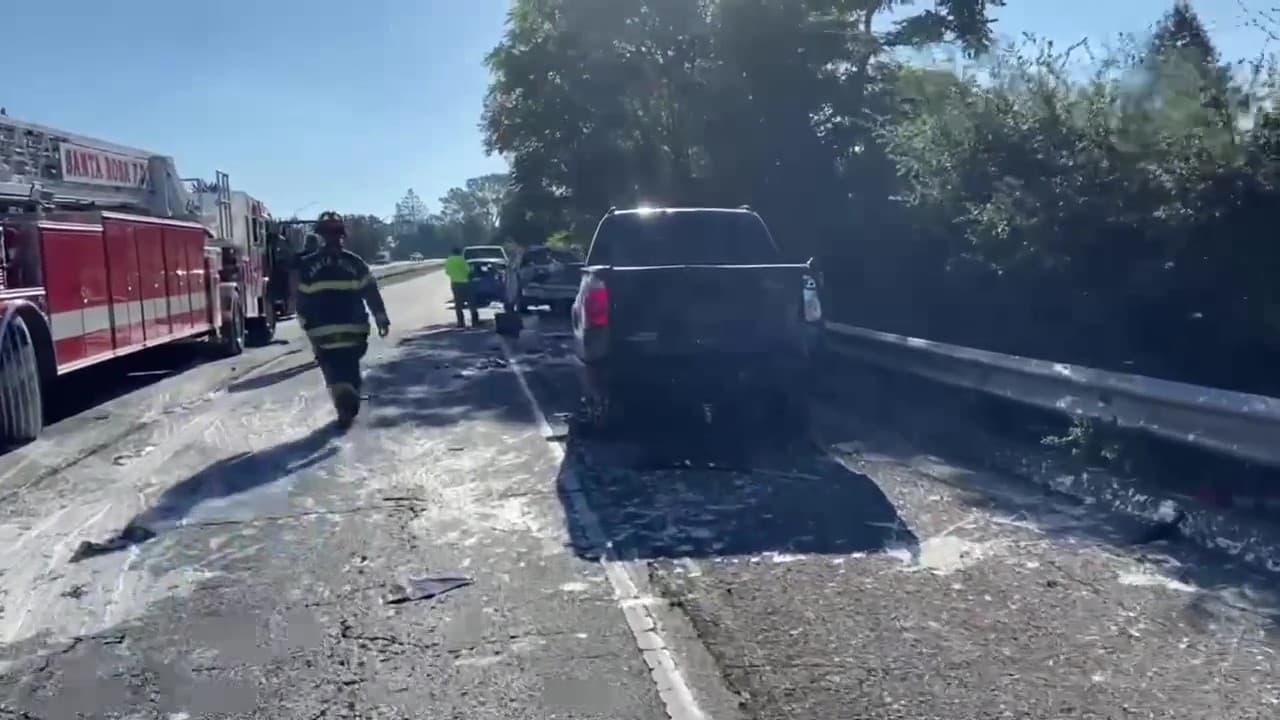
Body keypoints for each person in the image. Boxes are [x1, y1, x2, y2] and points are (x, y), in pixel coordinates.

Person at [296, 211, 391, 428]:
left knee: (331, 368)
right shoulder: (355, 263)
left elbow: (301, 298)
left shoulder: (308, 266)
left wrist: (303, 321)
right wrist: (381, 318)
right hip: (354, 330)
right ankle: (349, 398)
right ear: (342, 236)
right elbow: (371, 292)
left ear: (320, 236)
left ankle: (342, 402)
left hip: (321, 332)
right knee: (350, 366)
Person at [444, 246, 480, 328]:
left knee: (458, 304)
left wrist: (454, 275)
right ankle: (475, 322)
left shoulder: (449, 260)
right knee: (471, 302)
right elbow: (467, 270)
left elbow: (447, 272)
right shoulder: (461, 259)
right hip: (465, 283)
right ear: (459, 252)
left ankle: (460, 323)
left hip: (455, 283)